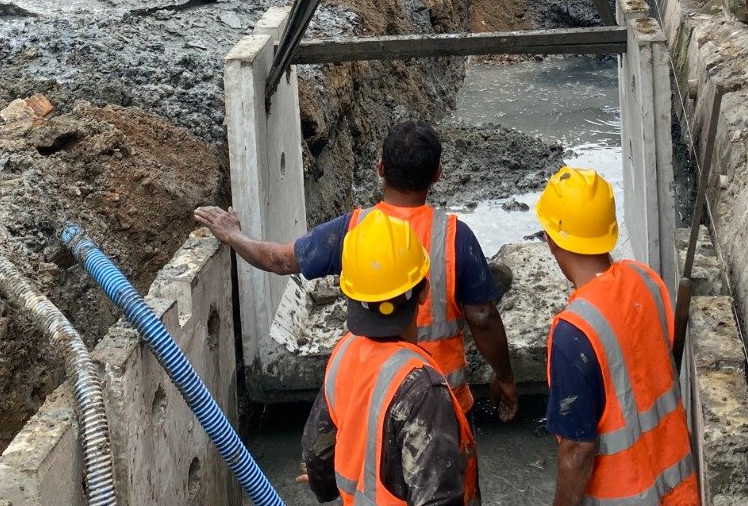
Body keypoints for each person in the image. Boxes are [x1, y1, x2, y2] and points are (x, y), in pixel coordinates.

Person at [194, 119, 519, 421]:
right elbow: (482, 318)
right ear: (437, 174)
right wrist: (504, 377)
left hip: (375, 398)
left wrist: (233, 234)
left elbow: (278, 261)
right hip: (443, 403)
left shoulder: (352, 230)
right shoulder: (454, 237)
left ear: (380, 169)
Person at [535, 167, 698, 506]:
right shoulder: (646, 280)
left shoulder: (573, 334)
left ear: (552, 239)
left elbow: (577, 449)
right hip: (679, 489)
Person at [301, 209, 478, 506]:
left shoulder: (344, 353)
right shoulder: (422, 389)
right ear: (423, 291)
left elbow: (315, 450)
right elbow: (439, 497)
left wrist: (325, 488)